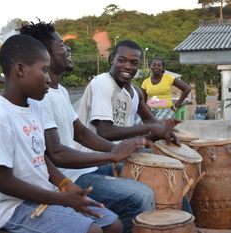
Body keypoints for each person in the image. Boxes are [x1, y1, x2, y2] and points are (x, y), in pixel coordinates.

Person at [0, 34, 125, 233]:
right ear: (20, 69)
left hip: (44, 194)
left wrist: (64, 184)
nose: (48, 79)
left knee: (113, 224)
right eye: (44, 70)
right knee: (92, 230)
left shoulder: (34, 107)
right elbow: (4, 183)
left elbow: (39, 155)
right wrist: (59, 198)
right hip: (12, 208)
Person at [19, 21, 154, 233]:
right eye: (61, 45)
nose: (68, 49)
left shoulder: (60, 91)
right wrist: (113, 155)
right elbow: (56, 153)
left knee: (149, 172)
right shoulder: (39, 97)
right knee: (141, 195)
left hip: (82, 169)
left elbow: (81, 133)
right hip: (68, 177)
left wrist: (118, 150)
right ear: (44, 53)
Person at [78, 40, 193, 214]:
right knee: (159, 180)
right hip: (93, 162)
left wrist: (166, 131)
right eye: (122, 60)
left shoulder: (132, 92)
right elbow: (105, 131)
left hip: (117, 155)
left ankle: (185, 225)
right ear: (111, 60)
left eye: (134, 63)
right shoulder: (103, 83)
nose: (128, 66)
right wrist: (153, 128)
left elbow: (150, 121)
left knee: (172, 175)